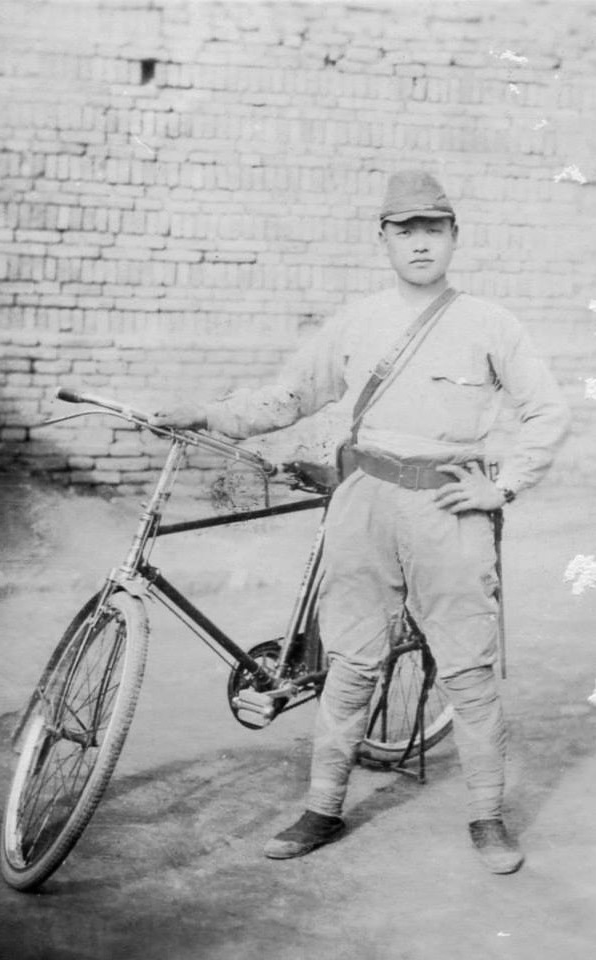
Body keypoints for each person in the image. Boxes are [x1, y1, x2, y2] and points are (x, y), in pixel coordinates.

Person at [152, 170, 571, 874]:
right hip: (364, 500)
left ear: (453, 237)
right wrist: (210, 412)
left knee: (467, 669)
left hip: (448, 505)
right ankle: (321, 807)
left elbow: (547, 412)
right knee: (350, 663)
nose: (418, 244)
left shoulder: (491, 324)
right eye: (403, 231)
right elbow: (290, 395)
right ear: (382, 240)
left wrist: (502, 485)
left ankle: (487, 815)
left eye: (431, 230)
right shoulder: (357, 321)